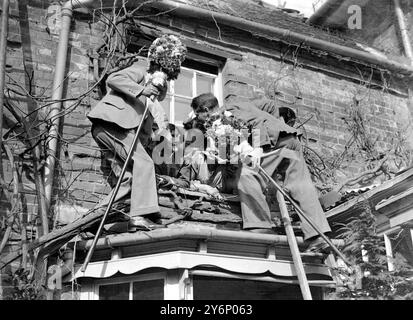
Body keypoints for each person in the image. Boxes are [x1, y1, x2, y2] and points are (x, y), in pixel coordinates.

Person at [183, 93, 332, 252]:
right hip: (290, 141)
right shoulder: (241, 101)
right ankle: (318, 234)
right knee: (301, 186)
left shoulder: (227, 113)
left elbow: (257, 122)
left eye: (199, 116)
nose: (200, 120)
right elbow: (270, 106)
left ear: (205, 110)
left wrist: (260, 147)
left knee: (247, 175)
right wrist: (275, 125)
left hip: (274, 143)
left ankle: (260, 226)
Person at [87, 35, 186, 231]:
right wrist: (142, 89)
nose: (159, 89)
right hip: (112, 124)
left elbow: (143, 129)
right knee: (144, 163)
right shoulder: (140, 72)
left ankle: (93, 219)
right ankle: (140, 215)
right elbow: (114, 79)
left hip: (112, 129)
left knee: (129, 179)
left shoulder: (147, 109)